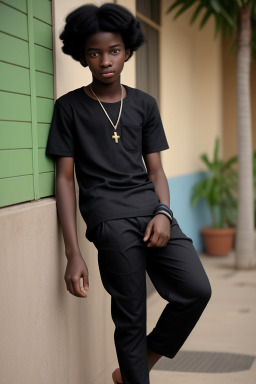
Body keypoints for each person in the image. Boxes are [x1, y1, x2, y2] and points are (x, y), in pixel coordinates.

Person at [45, 3, 212, 384]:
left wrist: (164, 213)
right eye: (94, 52)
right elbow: (65, 180)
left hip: (150, 211)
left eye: (114, 50)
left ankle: (142, 363)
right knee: (131, 315)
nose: (105, 60)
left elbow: (156, 170)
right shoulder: (69, 107)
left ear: (128, 50)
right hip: (108, 219)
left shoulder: (144, 104)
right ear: (82, 56)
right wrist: (73, 253)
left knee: (196, 290)